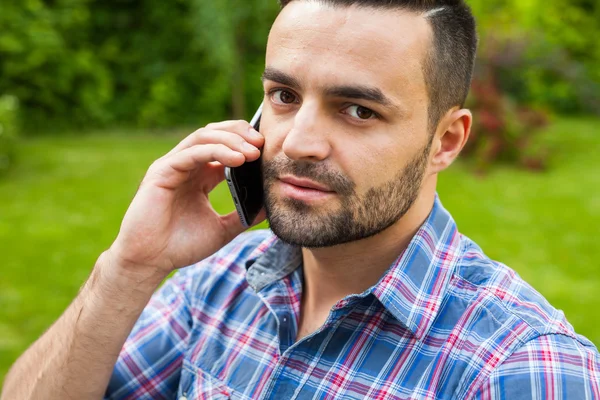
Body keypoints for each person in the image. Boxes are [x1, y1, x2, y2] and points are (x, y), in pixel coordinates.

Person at [3, 0, 600, 399]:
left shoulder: (519, 368)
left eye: (358, 110)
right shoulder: (214, 285)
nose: (298, 142)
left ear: (446, 140)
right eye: (284, 96)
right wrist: (128, 269)